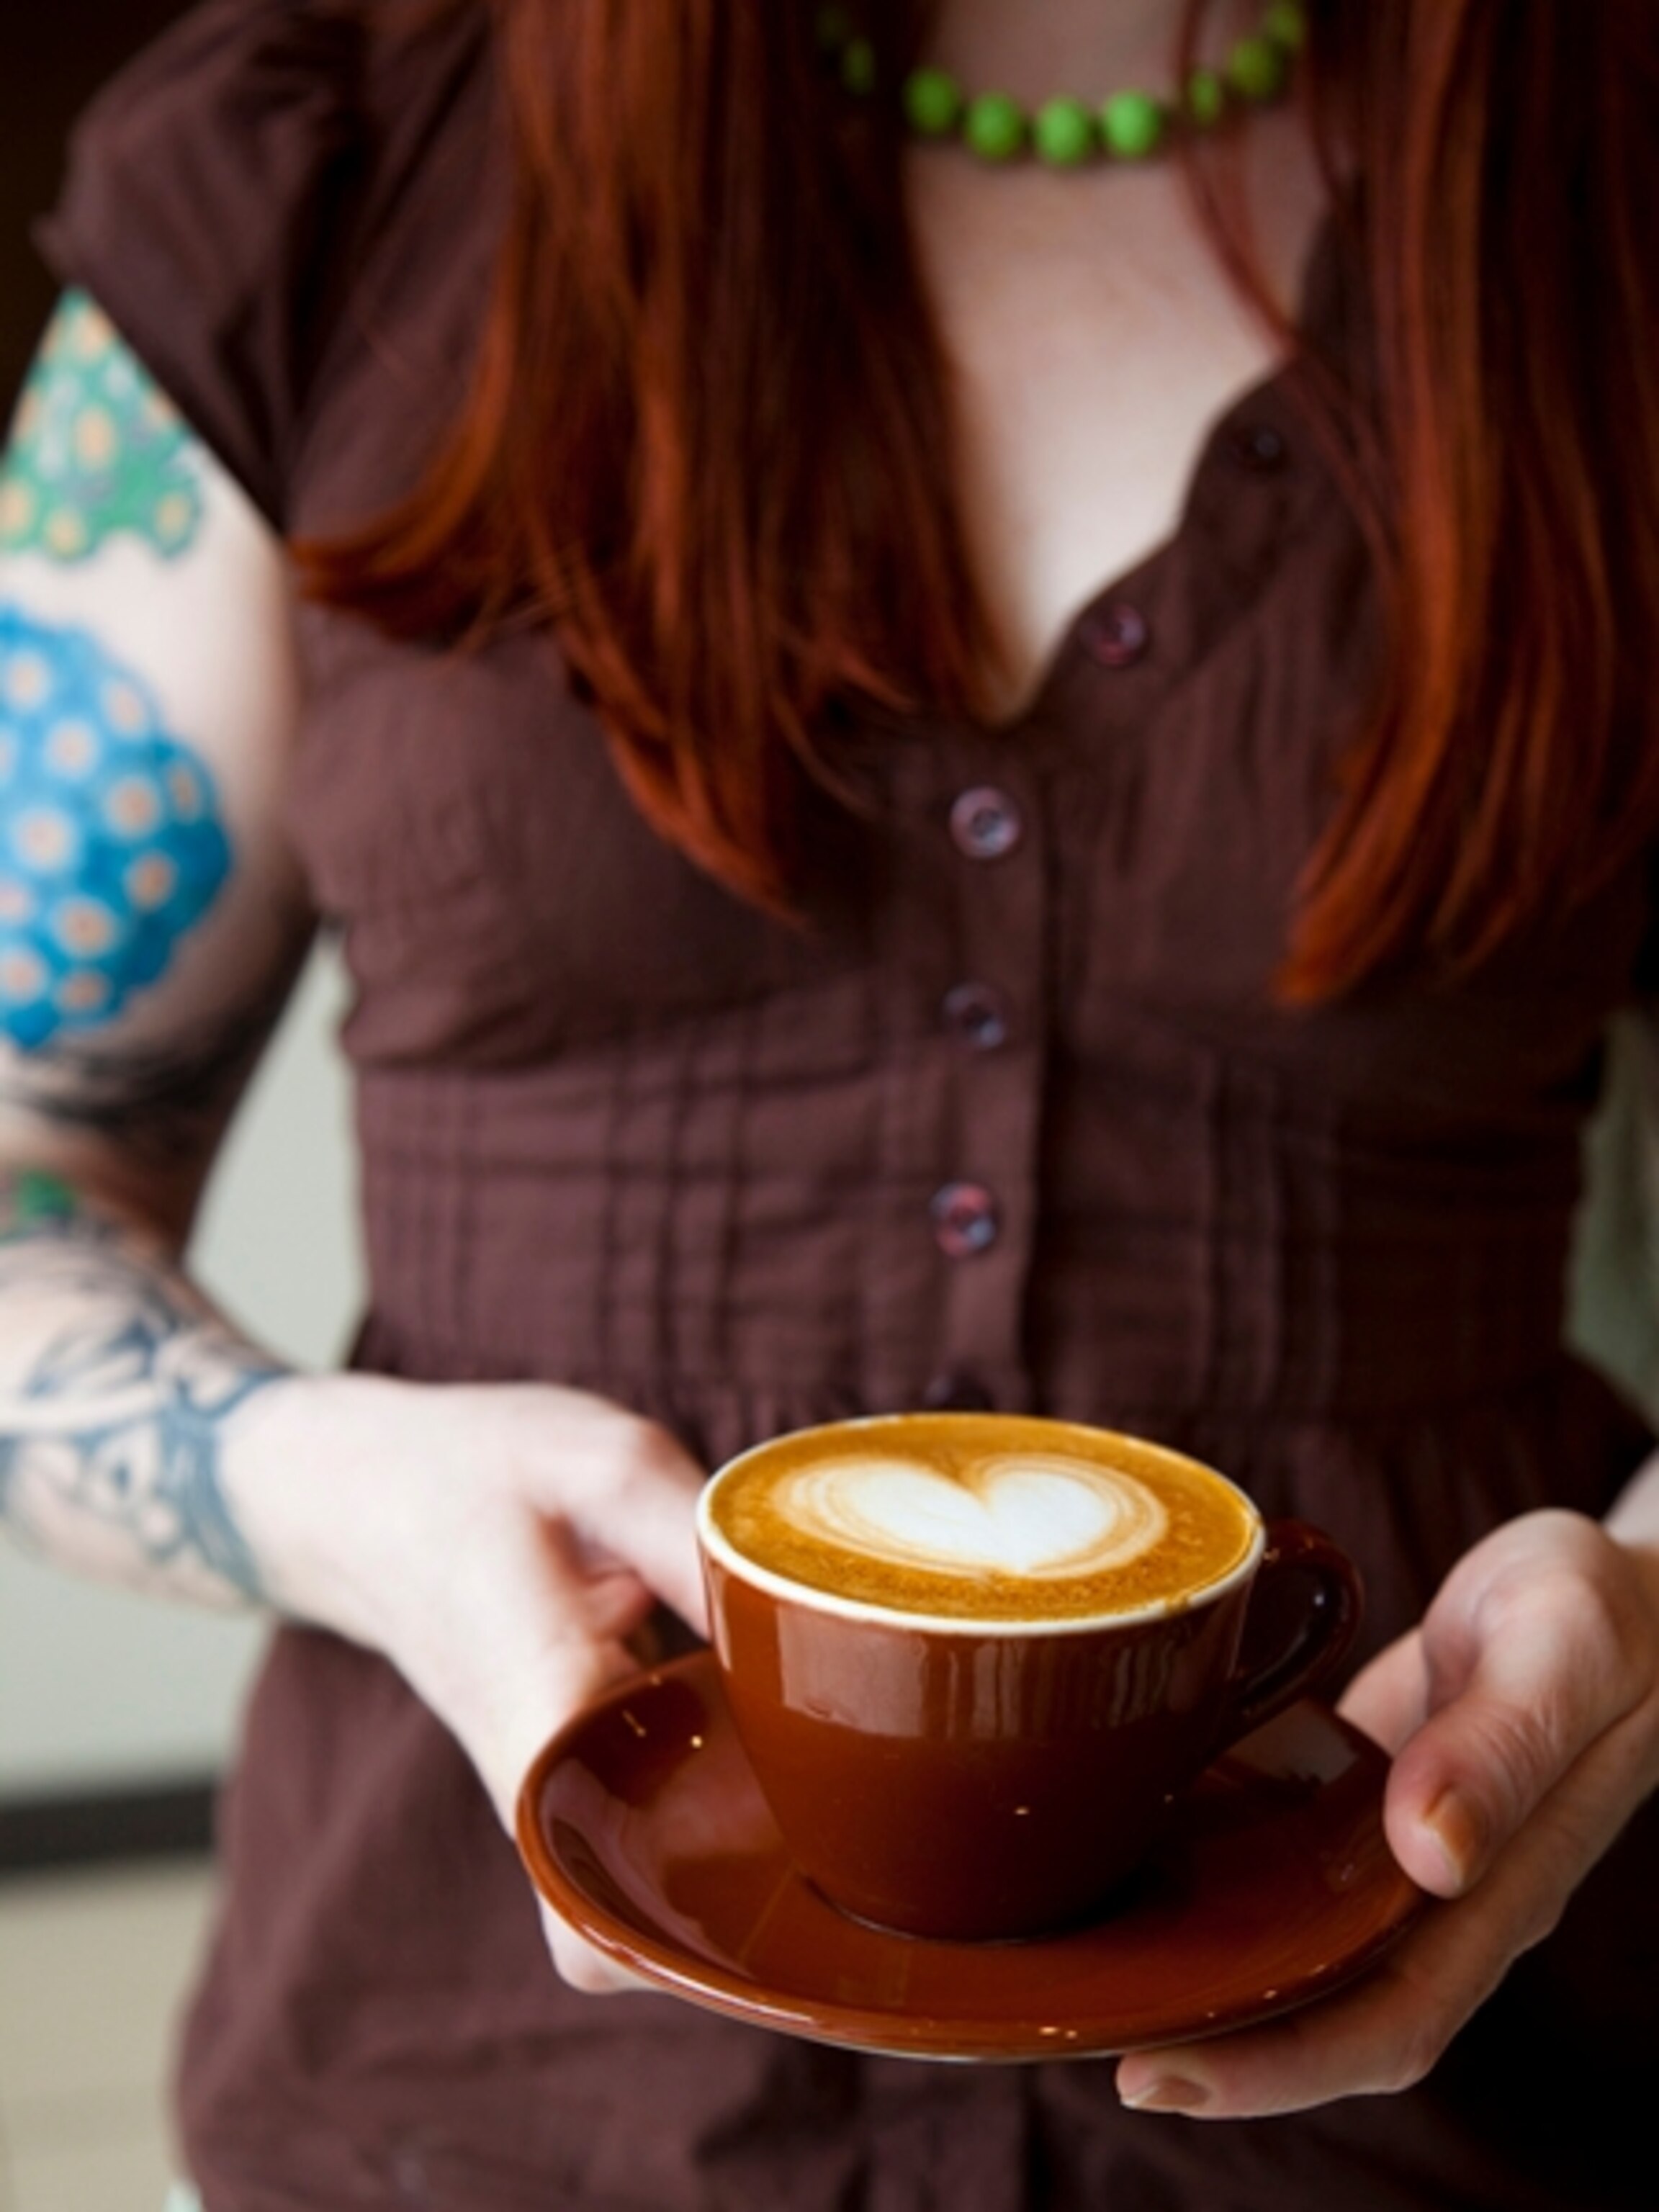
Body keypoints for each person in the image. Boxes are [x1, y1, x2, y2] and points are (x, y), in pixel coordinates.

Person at [1, 0, 1657, 2205]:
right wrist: (328, 1490)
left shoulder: (1618, 199)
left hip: (1444, 2116)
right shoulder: (325, 161)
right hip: (474, 2104)